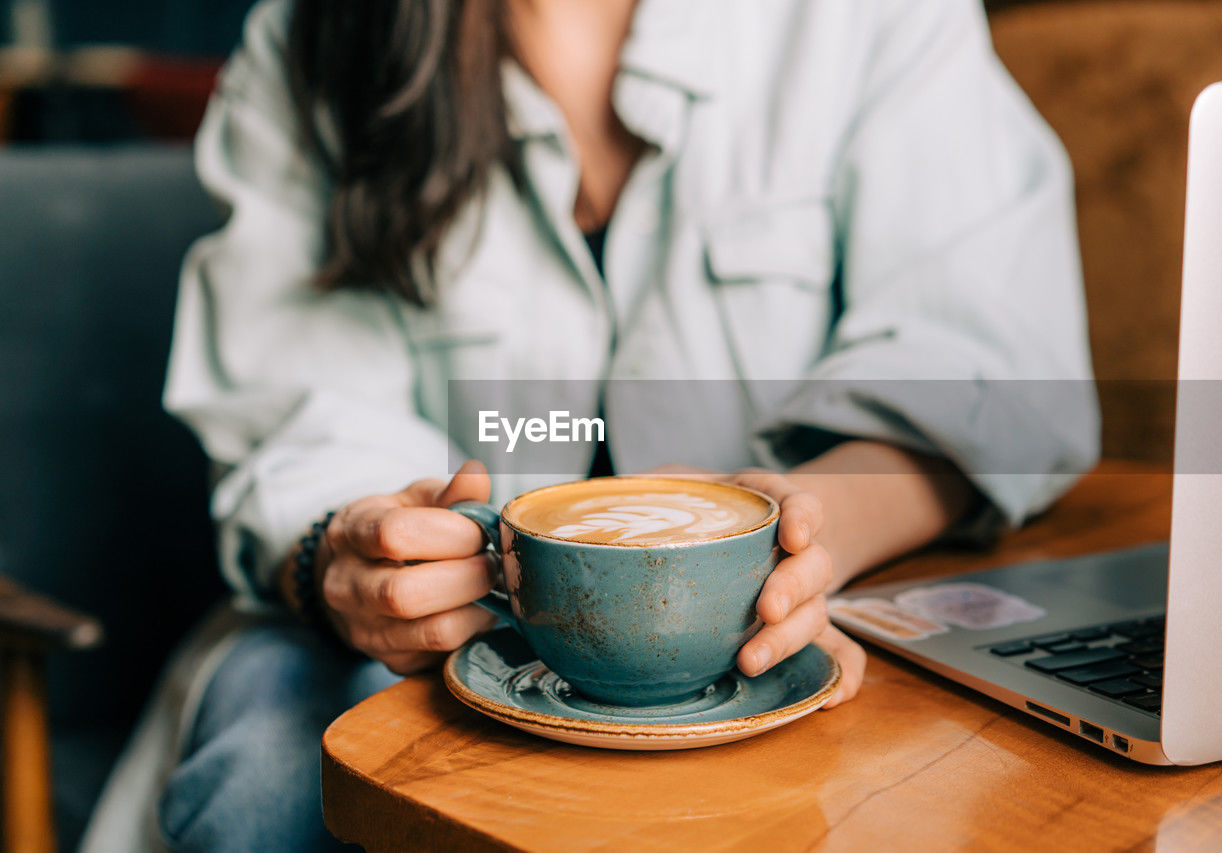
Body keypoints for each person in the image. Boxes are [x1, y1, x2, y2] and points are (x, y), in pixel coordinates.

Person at [92, 0, 1097, 849]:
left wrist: (805, 534)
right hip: (393, 652)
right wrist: (348, 557)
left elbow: (993, 361)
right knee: (278, 782)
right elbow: (296, 419)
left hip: (816, 629)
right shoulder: (312, 35)